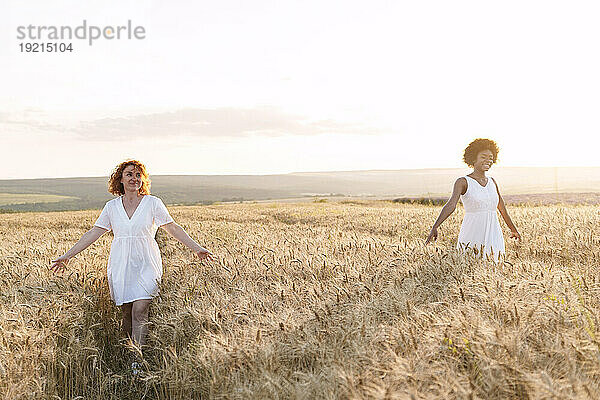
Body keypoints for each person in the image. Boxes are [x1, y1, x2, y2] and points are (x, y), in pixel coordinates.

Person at [50, 159, 213, 374]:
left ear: (143, 179)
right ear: (120, 179)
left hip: (147, 262)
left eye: (138, 175)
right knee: (126, 313)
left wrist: (196, 248)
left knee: (140, 309)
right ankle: (129, 351)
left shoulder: (153, 203)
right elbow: (93, 233)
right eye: (129, 174)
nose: (134, 178)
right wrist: (67, 256)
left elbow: (172, 227)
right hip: (121, 264)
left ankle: (137, 360)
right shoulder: (111, 207)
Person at [425, 139, 521, 261]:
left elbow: (502, 208)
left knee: (494, 267)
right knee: (469, 266)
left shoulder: (492, 182)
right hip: (472, 233)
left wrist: (513, 230)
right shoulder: (463, 182)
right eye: (483, 157)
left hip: (494, 234)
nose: (488, 160)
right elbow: (451, 205)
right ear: (473, 158)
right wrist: (435, 226)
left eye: (491, 157)